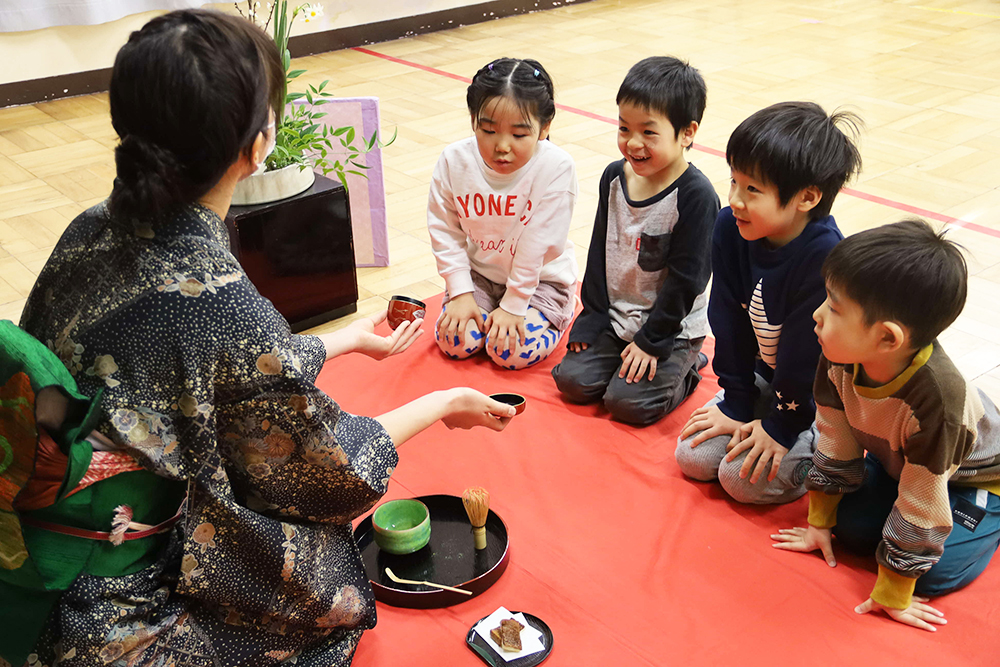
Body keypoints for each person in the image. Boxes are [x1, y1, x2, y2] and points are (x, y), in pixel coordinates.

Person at [9, 10, 516, 667]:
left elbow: (201, 369)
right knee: (323, 587)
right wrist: (444, 401)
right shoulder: (224, 306)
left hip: (31, 547)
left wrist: (342, 341)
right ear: (259, 142)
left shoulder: (87, 228)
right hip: (111, 609)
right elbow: (329, 473)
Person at [772, 219, 1000, 632]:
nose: (817, 315)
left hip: (972, 479)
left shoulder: (937, 404)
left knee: (930, 573)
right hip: (903, 462)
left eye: (834, 308)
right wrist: (818, 523)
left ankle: (990, 519)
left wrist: (894, 592)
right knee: (851, 529)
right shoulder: (839, 352)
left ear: (888, 339)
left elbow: (922, 500)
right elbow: (834, 440)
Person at [676, 101, 862, 504]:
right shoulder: (730, 226)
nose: (736, 199)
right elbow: (726, 318)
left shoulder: (824, 256)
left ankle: (821, 450)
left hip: (818, 395)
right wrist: (737, 400)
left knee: (740, 482)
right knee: (692, 457)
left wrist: (783, 425)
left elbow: (805, 356)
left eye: (753, 190)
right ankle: (764, 415)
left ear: (807, 198)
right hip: (770, 376)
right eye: (734, 182)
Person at [551, 56, 719, 425]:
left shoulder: (696, 196)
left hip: (669, 328)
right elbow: (599, 253)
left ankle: (689, 366)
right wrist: (592, 317)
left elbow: (688, 281)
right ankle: (631, 355)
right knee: (572, 382)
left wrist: (652, 341)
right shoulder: (614, 177)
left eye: (649, 132)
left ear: (687, 133)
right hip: (618, 318)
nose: (633, 143)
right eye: (624, 128)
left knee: (627, 405)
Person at [428, 57, 578, 370]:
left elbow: (537, 244)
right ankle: (483, 305)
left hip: (540, 282)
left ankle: (560, 312)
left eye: (519, 135)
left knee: (509, 352)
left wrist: (514, 305)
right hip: (481, 275)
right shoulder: (454, 160)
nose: (502, 146)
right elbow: (444, 229)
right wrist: (460, 291)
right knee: (455, 343)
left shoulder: (556, 167)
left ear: (544, 127)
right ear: (473, 120)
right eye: (488, 130)